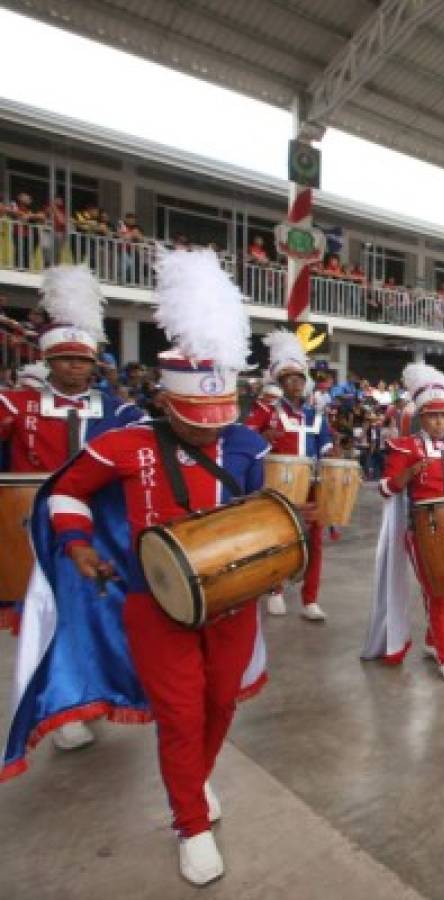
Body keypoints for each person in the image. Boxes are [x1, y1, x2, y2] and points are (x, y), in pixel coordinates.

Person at [2, 249, 270, 886]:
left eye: (218, 421)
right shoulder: (125, 442)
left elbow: (266, 517)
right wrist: (79, 545)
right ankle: (190, 822)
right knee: (179, 715)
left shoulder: (248, 444)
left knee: (219, 705)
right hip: (155, 604)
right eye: (196, 422)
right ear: (169, 403)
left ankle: (194, 784)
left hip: (235, 602)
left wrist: (291, 539)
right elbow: (65, 491)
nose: (211, 434)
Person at [0, 266, 142, 645]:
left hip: (97, 520)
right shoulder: (17, 404)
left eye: (82, 360)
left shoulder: (120, 410)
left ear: (95, 365)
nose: (74, 366)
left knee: (95, 605)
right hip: (31, 517)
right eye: (64, 358)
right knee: (39, 608)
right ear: (48, 361)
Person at [361, 363, 444, 684]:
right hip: (422, 530)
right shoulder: (406, 447)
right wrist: (405, 475)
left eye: (443, 416)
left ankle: (432, 639)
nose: (439, 422)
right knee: (437, 591)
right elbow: (384, 488)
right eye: (432, 416)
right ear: (421, 418)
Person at [244, 331, 334, 621]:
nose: (296, 384)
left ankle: (311, 598)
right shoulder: (265, 411)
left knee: (315, 541)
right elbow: (244, 440)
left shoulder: (316, 416)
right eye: (289, 379)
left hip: (312, 483)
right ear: (280, 384)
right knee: (281, 538)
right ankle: (276, 590)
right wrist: (262, 435)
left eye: (300, 378)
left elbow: (327, 448)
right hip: (279, 486)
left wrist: (336, 459)